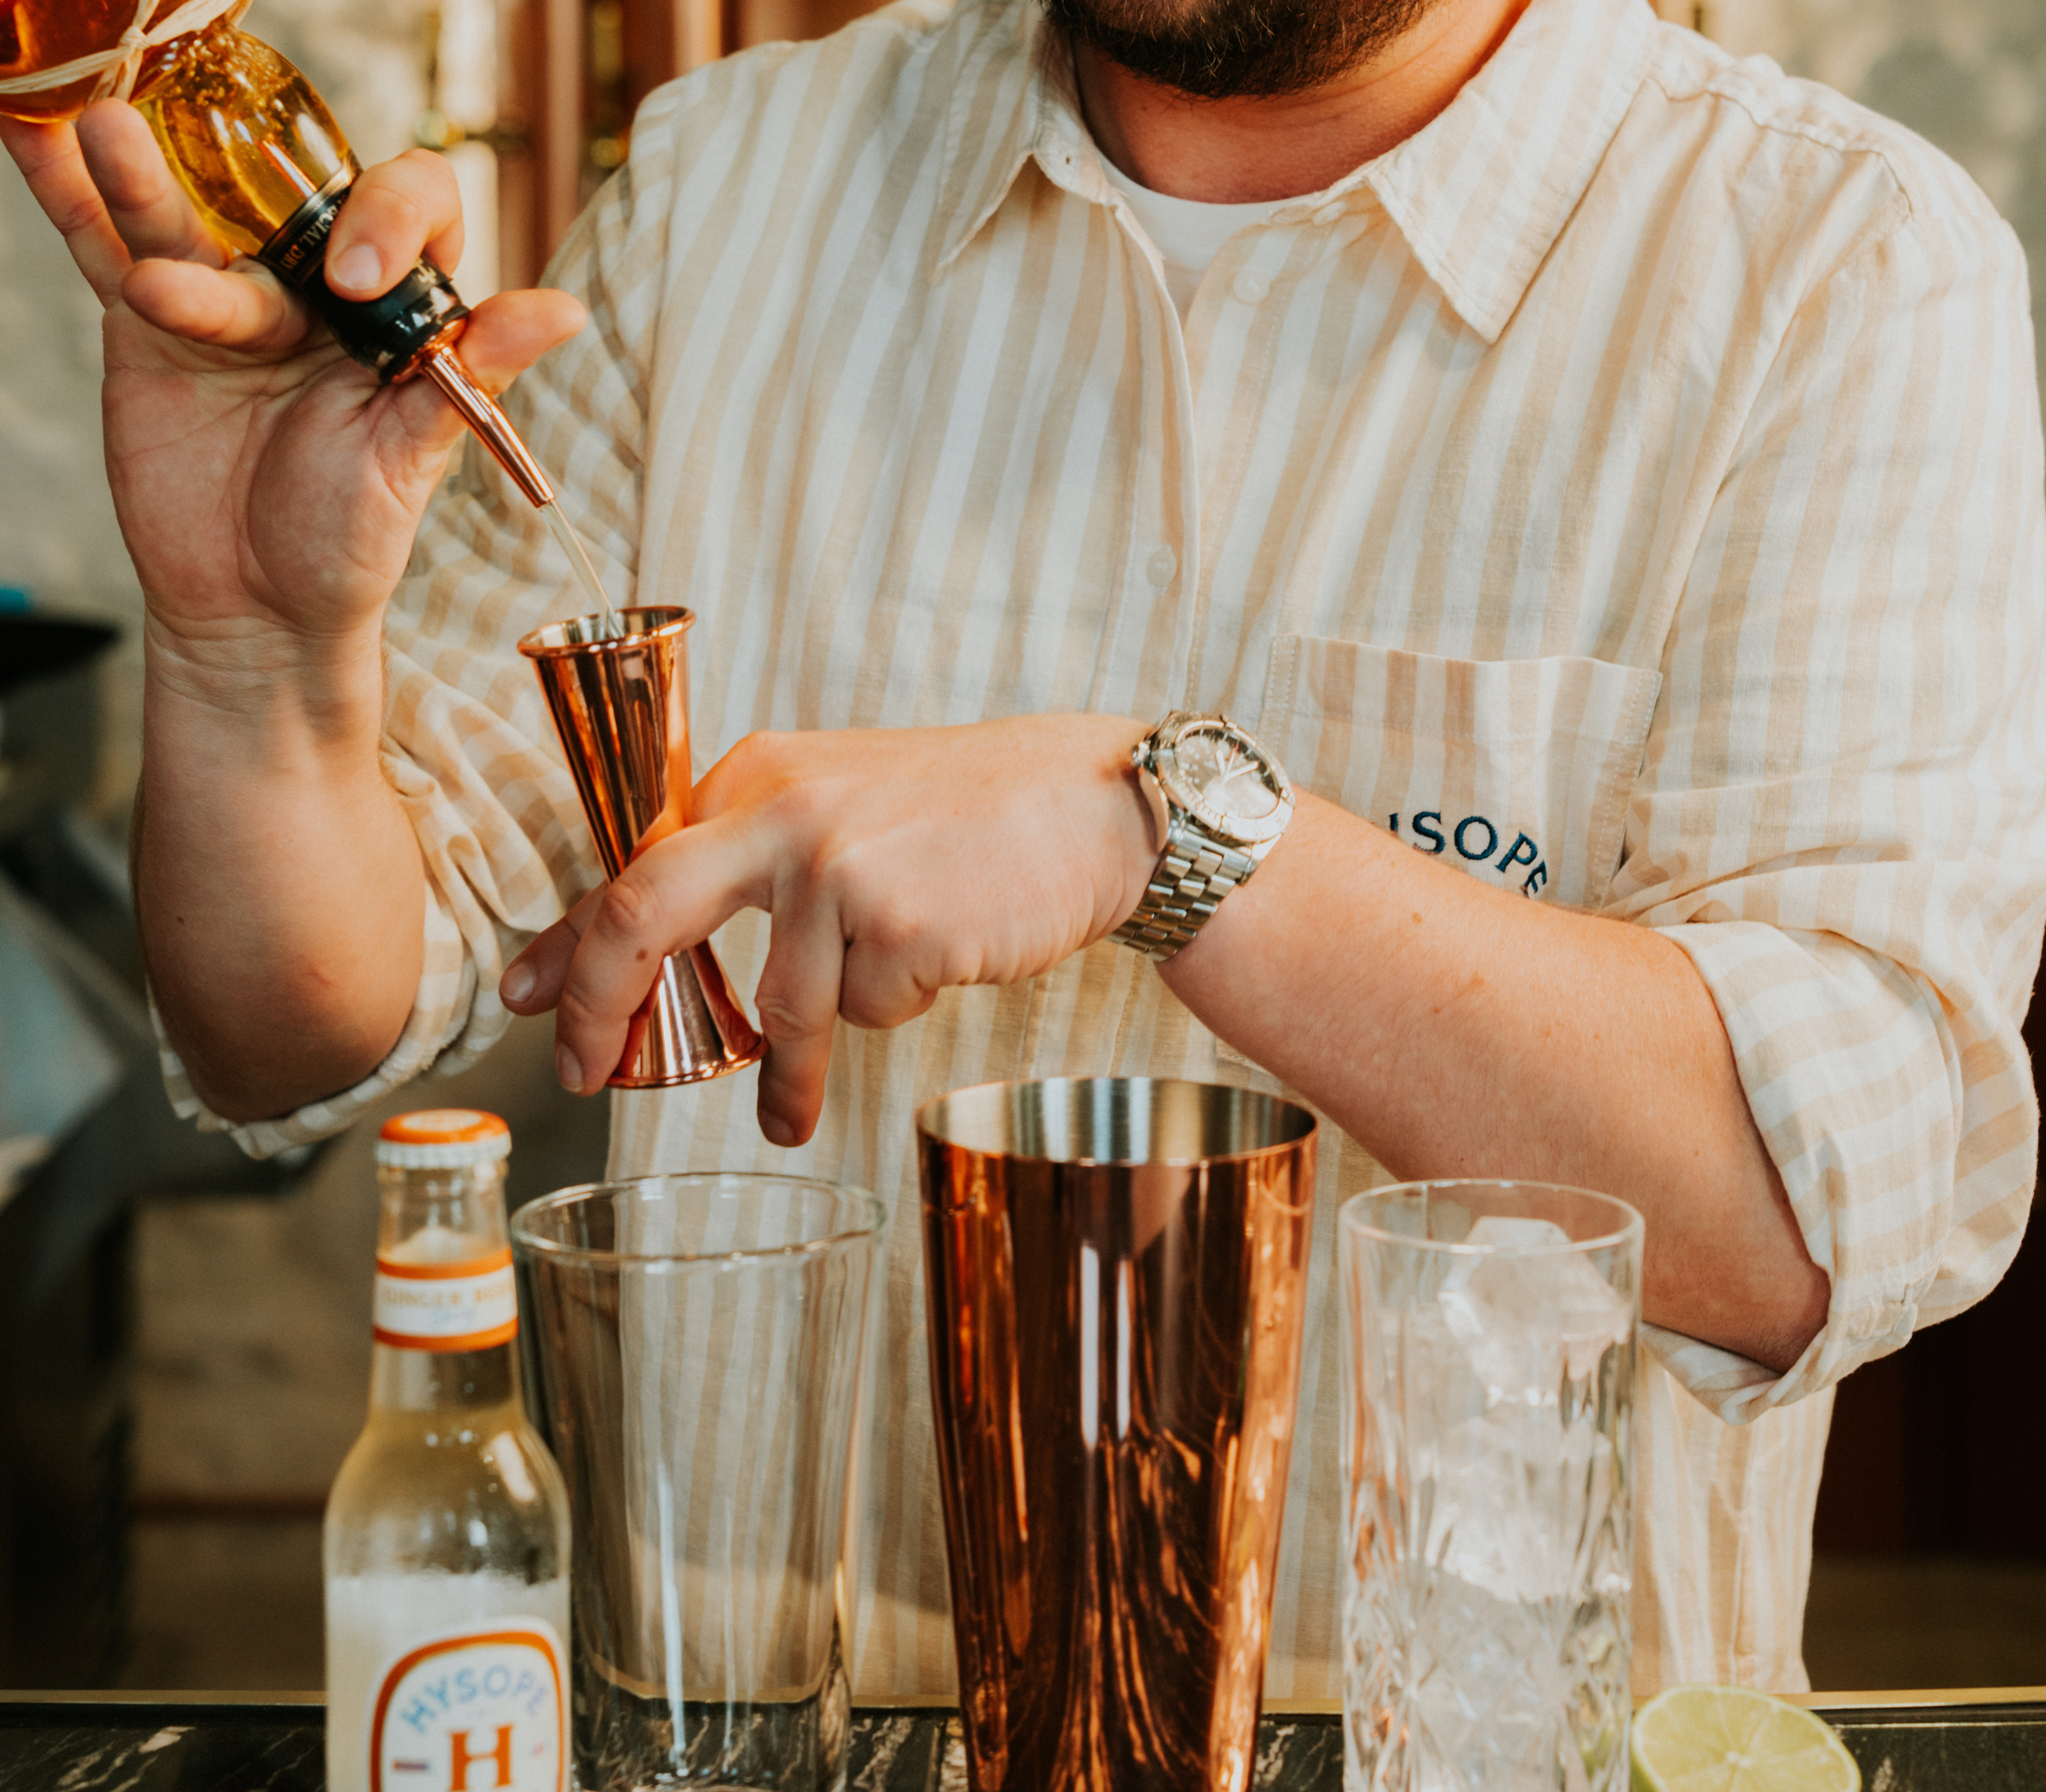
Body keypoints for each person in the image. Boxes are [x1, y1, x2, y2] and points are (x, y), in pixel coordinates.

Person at [6, 0, 2042, 1698]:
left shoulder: (1829, 265)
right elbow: (301, 1020)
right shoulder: (730, 195)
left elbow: (1803, 1213)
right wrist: (250, 648)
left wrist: (1164, 832)